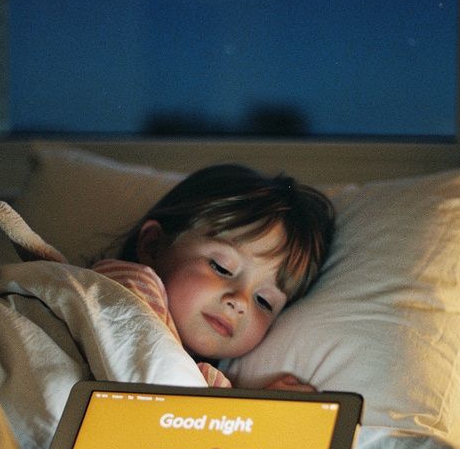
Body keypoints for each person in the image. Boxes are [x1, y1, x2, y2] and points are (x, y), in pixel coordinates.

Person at [92, 164, 335, 391]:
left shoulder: (195, 372)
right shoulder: (127, 288)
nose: (239, 301)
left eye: (264, 301)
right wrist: (252, 413)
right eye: (221, 268)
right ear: (153, 245)